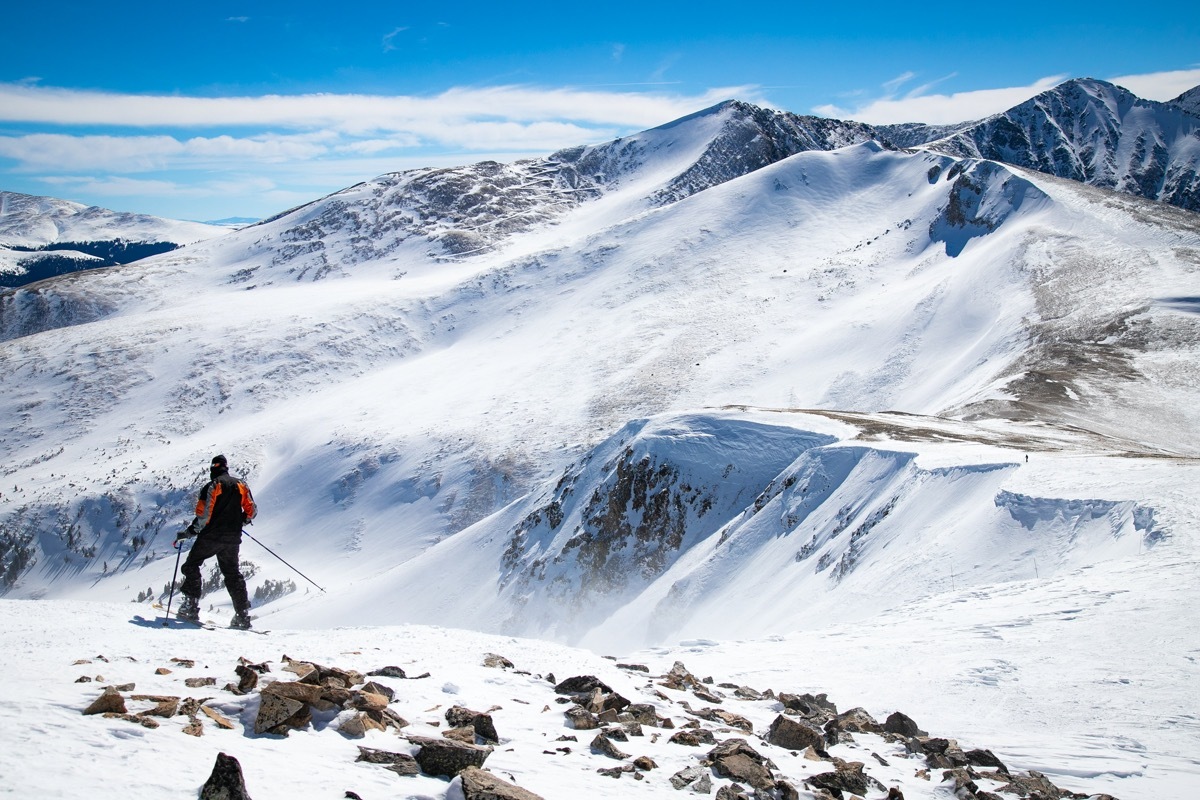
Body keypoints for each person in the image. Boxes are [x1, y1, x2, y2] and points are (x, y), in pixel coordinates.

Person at [174, 454, 257, 629]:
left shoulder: (213, 486)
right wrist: (239, 522)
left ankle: (190, 606)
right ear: (226, 467)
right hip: (233, 538)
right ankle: (242, 616)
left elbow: (204, 517)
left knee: (191, 565)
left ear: (213, 468)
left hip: (211, 536)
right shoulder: (241, 485)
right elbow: (252, 511)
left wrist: (189, 532)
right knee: (233, 574)